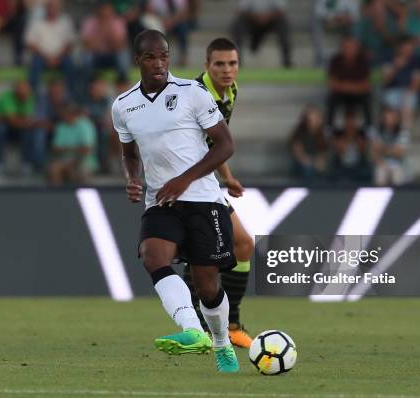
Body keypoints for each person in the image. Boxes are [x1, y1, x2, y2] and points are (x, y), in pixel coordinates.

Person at [111, 30, 239, 373]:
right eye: (151, 57)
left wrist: (185, 178)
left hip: (202, 199)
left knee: (207, 284)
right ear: (138, 60)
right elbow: (129, 154)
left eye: (164, 56)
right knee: (153, 256)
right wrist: (132, 178)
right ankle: (193, 331)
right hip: (160, 200)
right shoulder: (123, 105)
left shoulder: (192, 93)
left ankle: (222, 342)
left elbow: (226, 145)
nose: (159, 64)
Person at [177, 38, 254, 349]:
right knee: (235, 246)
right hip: (187, 183)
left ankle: (220, 326)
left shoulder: (230, 91)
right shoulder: (197, 96)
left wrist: (227, 176)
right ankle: (209, 327)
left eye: (232, 63)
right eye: (219, 64)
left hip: (205, 181)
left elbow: (216, 143)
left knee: (234, 248)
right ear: (206, 66)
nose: (227, 70)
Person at [0, 80, 44, 175]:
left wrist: (20, 121)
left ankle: (26, 163)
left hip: (17, 129)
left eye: (27, 92)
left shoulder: (30, 97)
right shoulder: (6, 97)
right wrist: (23, 121)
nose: (25, 96)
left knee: (29, 132)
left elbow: (28, 119)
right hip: (3, 130)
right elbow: (13, 120)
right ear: (16, 91)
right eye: (22, 93)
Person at [24, 0, 75, 93]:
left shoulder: (66, 22)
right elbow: (30, 44)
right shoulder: (37, 23)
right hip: (41, 57)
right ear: (46, 8)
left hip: (61, 57)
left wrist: (58, 57)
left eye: (55, 7)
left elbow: (70, 44)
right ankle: (32, 95)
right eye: (50, 7)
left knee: (70, 64)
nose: (53, 9)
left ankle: (70, 95)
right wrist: (47, 58)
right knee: (35, 63)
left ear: (59, 9)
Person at [326, 36, 372, 130]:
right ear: (342, 48)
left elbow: (366, 85)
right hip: (341, 94)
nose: (349, 50)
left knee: (367, 99)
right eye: (347, 47)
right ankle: (329, 128)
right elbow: (332, 83)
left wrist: (346, 86)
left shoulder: (362, 61)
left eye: (352, 48)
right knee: (331, 99)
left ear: (357, 49)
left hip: (357, 94)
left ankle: (369, 128)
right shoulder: (336, 60)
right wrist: (353, 86)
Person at [231, 0, 292, 68]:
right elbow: (241, 10)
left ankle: (287, 62)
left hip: (272, 20)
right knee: (237, 25)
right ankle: (236, 61)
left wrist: (266, 17)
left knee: (282, 23)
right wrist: (258, 17)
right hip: (252, 20)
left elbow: (282, 10)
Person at [49, 103, 97, 186]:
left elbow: (86, 150)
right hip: (65, 160)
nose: (65, 115)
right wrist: (75, 149)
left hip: (84, 161)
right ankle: (58, 197)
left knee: (78, 172)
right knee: (54, 169)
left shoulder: (85, 125)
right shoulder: (61, 126)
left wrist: (67, 149)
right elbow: (55, 148)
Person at [381, 37, 420, 130]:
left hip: (409, 91)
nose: (408, 50)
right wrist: (396, 67)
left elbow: (417, 83)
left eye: (410, 47)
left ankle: (404, 134)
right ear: (399, 48)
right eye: (405, 47)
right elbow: (386, 81)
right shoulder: (389, 58)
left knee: (407, 101)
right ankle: (391, 134)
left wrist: (407, 91)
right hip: (392, 91)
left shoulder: (415, 61)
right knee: (391, 105)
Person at [81, 2, 130, 81]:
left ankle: (122, 83)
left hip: (112, 55)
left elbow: (120, 45)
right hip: (96, 55)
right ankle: (89, 85)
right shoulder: (89, 22)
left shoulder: (118, 22)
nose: (106, 17)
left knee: (123, 56)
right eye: (103, 14)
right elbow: (87, 46)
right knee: (87, 57)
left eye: (108, 14)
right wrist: (101, 31)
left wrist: (109, 31)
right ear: (98, 12)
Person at [328, 108, 372, 183]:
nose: (350, 125)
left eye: (352, 122)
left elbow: (362, 150)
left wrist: (354, 137)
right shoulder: (339, 135)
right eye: (348, 122)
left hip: (357, 165)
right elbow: (340, 151)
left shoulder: (361, 135)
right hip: (343, 166)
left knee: (366, 171)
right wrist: (347, 138)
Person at [312, 0, 361, 66]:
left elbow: (355, 17)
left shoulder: (351, 2)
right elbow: (319, 13)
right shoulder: (322, 2)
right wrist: (336, 19)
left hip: (346, 33)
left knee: (357, 27)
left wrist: (341, 20)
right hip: (327, 34)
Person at [371, 107, 410, 186]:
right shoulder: (377, 131)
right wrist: (381, 161)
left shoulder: (403, 132)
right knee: (380, 173)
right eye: (387, 118)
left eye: (392, 118)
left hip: (398, 164)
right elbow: (374, 152)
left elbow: (400, 152)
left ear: (397, 119)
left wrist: (383, 148)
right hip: (382, 163)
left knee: (397, 174)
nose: (389, 120)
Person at [289, 105, 328, 182]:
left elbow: (324, 150)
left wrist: (321, 159)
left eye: (317, 118)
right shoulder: (299, 133)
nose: (317, 120)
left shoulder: (322, 133)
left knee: (324, 168)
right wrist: (311, 162)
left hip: (315, 161)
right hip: (302, 163)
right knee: (308, 169)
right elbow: (299, 154)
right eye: (314, 118)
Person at [83, 75, 113, 173]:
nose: (99, 90)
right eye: (96, 87)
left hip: (104, 128)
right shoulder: (85, 100)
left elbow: (109, 117)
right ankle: (91, 165)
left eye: (101, 87)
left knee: (105, 133)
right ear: (91, 88)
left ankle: (105, 165)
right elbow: (84, 116)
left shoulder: (108, 100)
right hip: (89, 128)